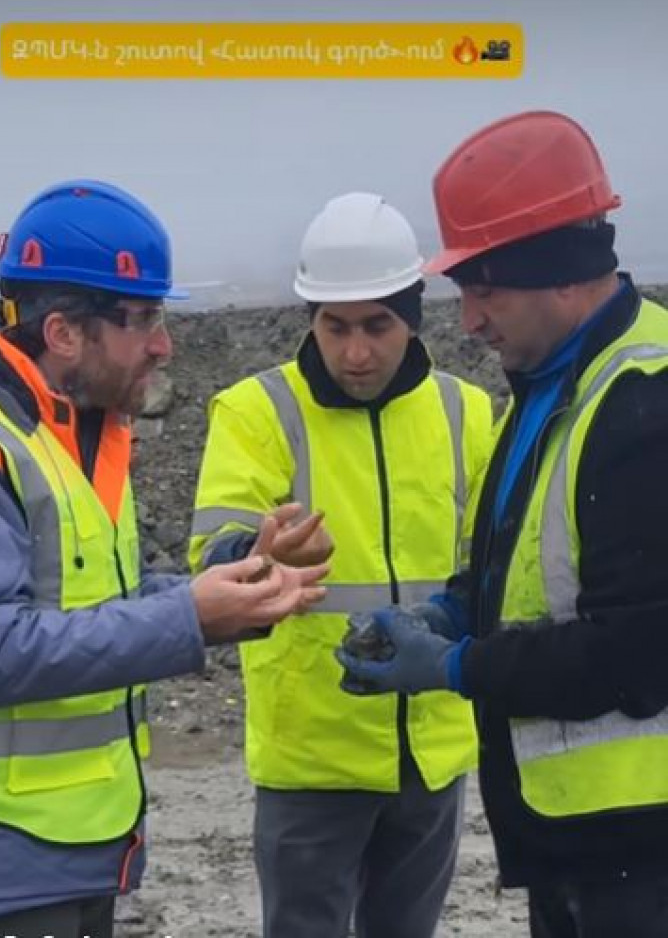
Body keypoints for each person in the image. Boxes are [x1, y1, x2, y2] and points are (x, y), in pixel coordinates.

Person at [0, 179, 329, 938]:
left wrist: (234, 587)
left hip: (63, 846)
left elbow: (97, 596)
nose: (164, 345)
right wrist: (190, 617)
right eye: (144, 319)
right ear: (64, 332)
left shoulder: (68, 433)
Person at [336, 111, 668, 938]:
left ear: (559, 274)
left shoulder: (644, 402)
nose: (471, 321)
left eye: (486, 292)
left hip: (645, 846)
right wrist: (452, 611)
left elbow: (637, 648)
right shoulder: (554, 381)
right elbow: (533, 568)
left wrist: (454, 664)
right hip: (580, 839)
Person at [189, 191, 493, 938]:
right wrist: (259, 554)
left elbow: (491, 565)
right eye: (336, 326)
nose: (356, 352)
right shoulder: (256, 410)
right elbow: (214, 554)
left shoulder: (467, 412)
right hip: (312, 756)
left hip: (432, 750)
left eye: (376, 326)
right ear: (311, 320)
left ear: (412, 318)